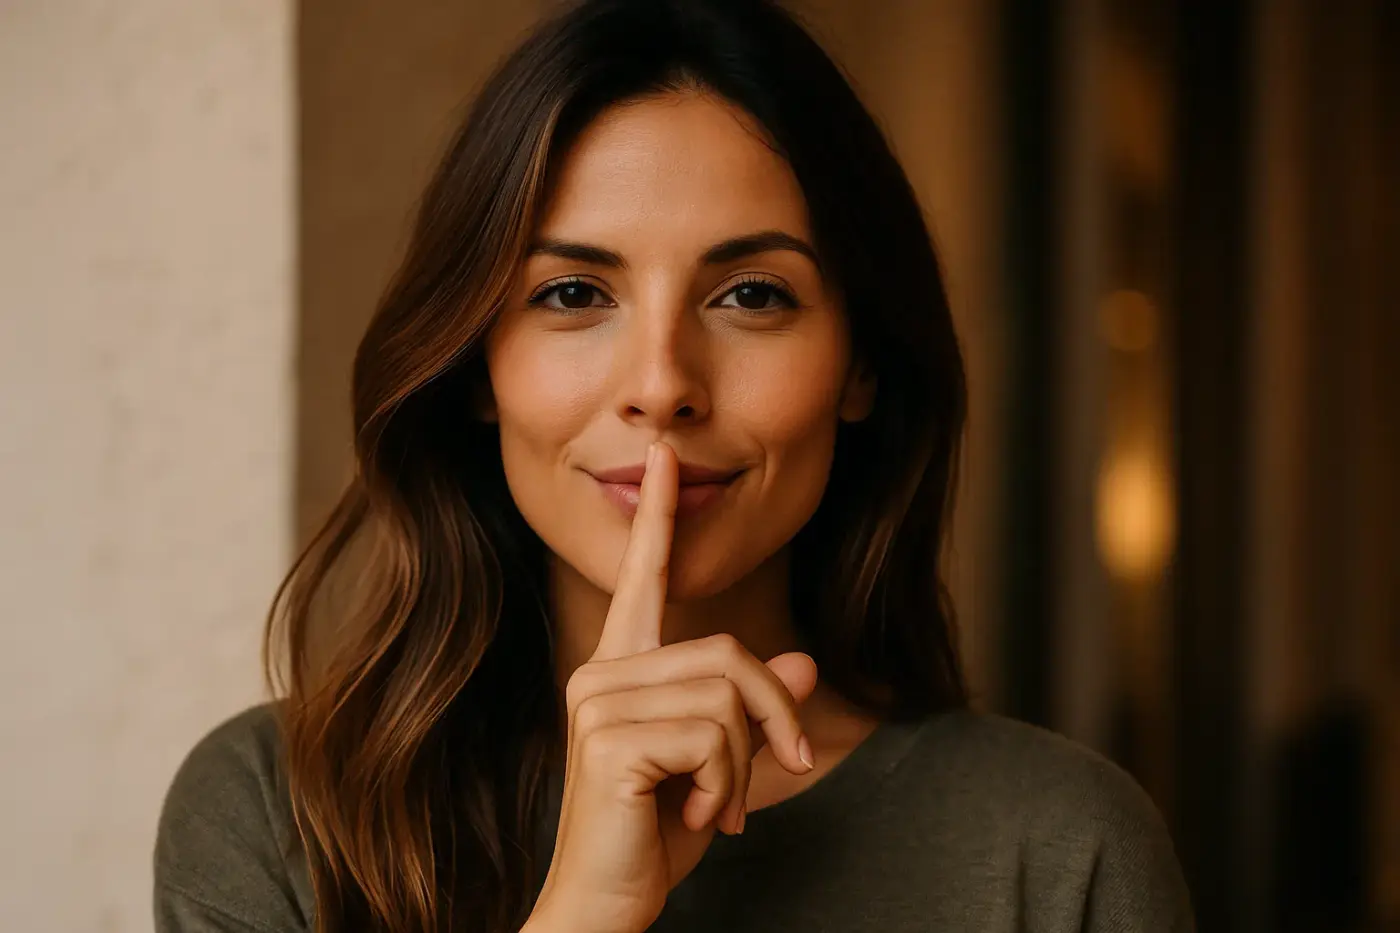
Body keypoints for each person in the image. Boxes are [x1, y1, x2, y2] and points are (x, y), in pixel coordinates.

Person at [154, 0, 1195, 931]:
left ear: (859, 364)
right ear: (476, 366)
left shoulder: (1055, 848)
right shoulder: (279, 814)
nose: (660, 384)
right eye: (571, 294)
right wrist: (585, 914)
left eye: (750, 294)